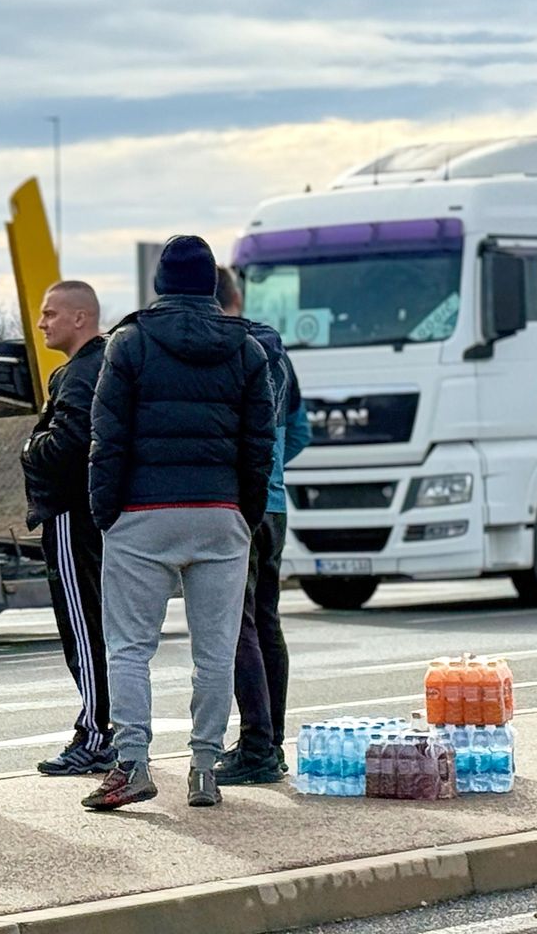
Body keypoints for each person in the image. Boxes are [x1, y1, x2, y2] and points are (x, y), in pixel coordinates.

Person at [83, 236, 274, 812]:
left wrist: (106, 514)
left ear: (160, 284)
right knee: (214, 652)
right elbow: (259, 444)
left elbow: (107, 437)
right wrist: (244, 512)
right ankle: (205, 769)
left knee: (129, 648)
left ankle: (133, 764)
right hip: (220, 514)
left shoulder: (130, 342)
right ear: (212, 286)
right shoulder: (248, 350)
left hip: (143, 514)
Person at [212, 266, 311, 786]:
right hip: (275, 506)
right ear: (236, 296)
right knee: (266, 622)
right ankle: (270, 741)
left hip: (238, 503)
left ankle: (255, 748)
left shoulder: (228, 351)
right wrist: (272, 471)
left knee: (237, 626)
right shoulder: (277, 351)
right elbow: (301, 431)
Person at [21, 280, 114, 775]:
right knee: (109, 627)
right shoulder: (111, 364)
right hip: (103, 512)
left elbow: (67, 445)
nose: (41, 324)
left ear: (81, 318)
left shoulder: (77, 374)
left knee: (82, 625)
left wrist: (29, 448)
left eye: (50, 314)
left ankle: (97, 735)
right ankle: (114, 729)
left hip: (70, 515)